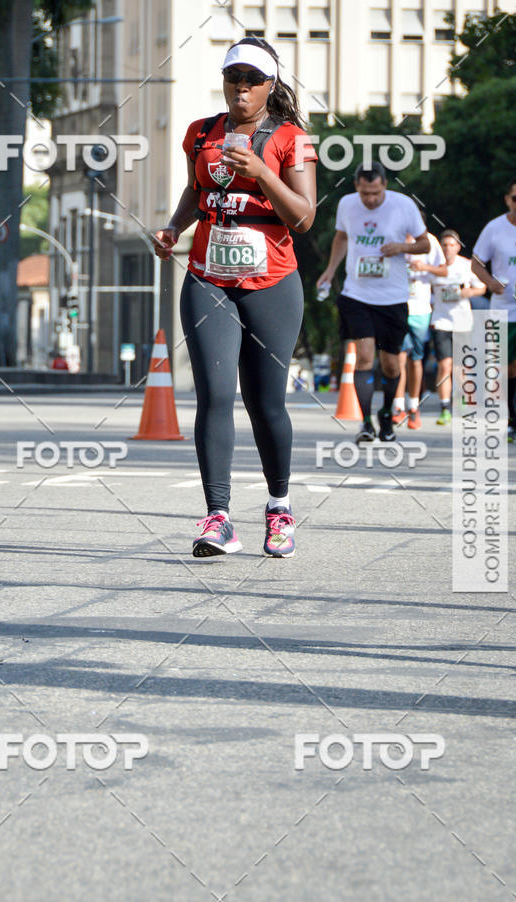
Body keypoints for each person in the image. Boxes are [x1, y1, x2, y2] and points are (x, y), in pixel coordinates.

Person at [152, 37, 317, 557]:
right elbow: (196, 192)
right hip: (209, 279)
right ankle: (218, 517)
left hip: (272, 284)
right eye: (233, 77)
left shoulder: (291, 139)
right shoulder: (200, 133)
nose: (241, 87)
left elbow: (304, 217)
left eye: (252, 79)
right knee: (215, 396)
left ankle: (279, 508)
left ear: (270, 85)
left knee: (265, 403)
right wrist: (174, 227)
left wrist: (262, 172)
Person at [317, 161, 430, 443]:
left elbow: (425, 243)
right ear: (357, 186)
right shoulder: (347, 204)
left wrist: (402, 247)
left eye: (376, 193)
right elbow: (342, 237)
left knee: (391, 365)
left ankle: (387, 415)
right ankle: (366, 422)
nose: (370, 199)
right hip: (357, 295)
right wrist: (330, 271)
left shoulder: (403, 205)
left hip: (393, 297)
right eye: (365, 193)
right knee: (365, 357)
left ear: (385, 186)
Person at [472, 175, 516, 440]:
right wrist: (490, 283)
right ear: (507, 200)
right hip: (505, 309)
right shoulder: (494, 228)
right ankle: (512, 416)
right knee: (511, 367)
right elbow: (476, 263)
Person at [430, 230, 486, 425]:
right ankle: (445, 408)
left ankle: (462, 402)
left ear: (458, 247)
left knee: (461, 367)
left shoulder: (466, 265)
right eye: (444, 245)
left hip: (462, 322)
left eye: (452, 245)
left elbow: (482, 288)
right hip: (441, 321)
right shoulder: (434, 266)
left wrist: (469, 292)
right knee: (445, 365)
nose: (448, 249)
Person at [393, 228, 447, 429]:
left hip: (420, 309)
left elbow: (443, 270)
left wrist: (424, 266)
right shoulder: (393, 235)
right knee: (399, 357)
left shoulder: (429, 241)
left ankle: (414, 406)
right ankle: (398, 406)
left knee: (415, 360)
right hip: (397, 306)